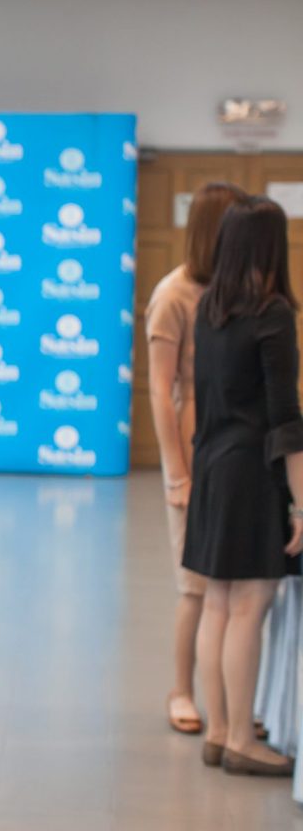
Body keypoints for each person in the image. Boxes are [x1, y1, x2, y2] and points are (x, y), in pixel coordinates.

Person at [185, 193, 303, 777]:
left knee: (218, 603)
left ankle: (218, 732)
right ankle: (240, 740)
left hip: (211, 466)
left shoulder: (209, 307)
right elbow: (286, 419)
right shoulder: (272, 313)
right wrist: (301, 505)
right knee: (250, 607)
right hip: (253, 474)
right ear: (271, 246)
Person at [144, 182, 247, 735]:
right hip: (192, 454)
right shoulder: (173, 294)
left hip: (234, 453)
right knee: (196, 586)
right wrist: (176, 473)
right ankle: (182, 691)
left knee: (237, 587)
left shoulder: (238, 290)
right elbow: (161, 390)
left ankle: (234, 699)